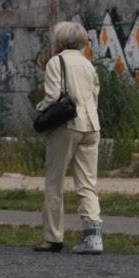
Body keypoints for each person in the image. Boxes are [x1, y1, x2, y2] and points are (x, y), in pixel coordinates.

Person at [36, 20, 103, 254]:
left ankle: (53, 237)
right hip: (91, 124)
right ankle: (93, 235)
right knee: (87, 183)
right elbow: (95, 93)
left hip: (67, 125)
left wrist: (40, 110)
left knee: (54, 181)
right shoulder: (88, 64)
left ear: (59, 41)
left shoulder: (56, 62)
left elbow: (53, 95)